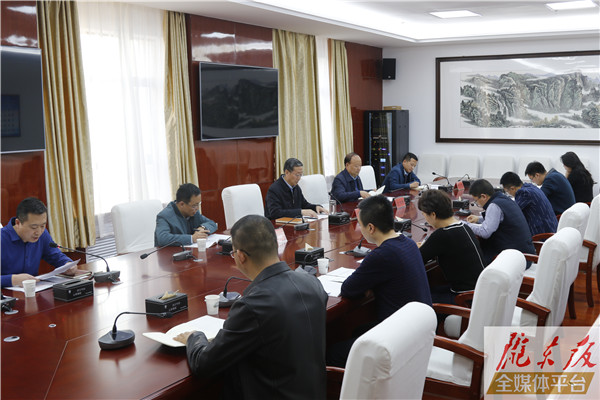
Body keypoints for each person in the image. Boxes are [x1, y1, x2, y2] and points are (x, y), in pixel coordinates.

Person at [174, 215, 328, 399]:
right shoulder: (312, 282)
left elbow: (204, 365)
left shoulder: (253, 305)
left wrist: (194, 337)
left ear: (240, 256)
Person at [327, 195, 432, 367]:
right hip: (417, 330)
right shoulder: (409, 243)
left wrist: (369, 285)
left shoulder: (382, 255)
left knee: (332, 353)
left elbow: (348, 290)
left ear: (370, 227)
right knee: (358, 330)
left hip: (398, 340)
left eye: (360, 225)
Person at [417, 190, 485, 304]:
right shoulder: (464, 226)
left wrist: (417, 247)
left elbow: (417, 258)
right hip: (480, 292)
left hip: (465, 298)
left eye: (424, 215)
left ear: (433, 215)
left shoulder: (442, 235)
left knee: (418, 298)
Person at [1, 197, 77, 287]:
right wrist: (11, 280)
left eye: (42, 226)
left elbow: (55, 255)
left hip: (33, 291)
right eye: (34, 227)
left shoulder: (42, 235)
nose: (39, 232)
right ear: (18, 223)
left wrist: (68, 264)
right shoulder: (2, 239)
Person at [465, 179, 535, 266]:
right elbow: (498, 219)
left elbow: (485, 232)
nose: (477, 204)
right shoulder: (503, 198)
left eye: (476, 201)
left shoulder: (494, 205)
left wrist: (465, 224)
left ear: (483, 196)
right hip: (525, 253)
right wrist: (478, 219)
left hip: (515, 260)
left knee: (474, 257)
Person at [500, 171, 557, 236]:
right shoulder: (530, 186)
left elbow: (513, 213)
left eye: (507, 191)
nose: (508, 194)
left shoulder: (523, 193)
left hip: (542, 233)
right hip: (551, 228)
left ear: (512, 188)